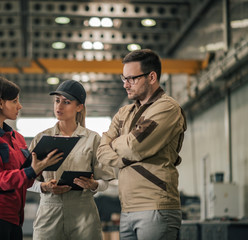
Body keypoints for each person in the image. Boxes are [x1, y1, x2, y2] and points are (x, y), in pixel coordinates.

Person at [96, 49, 187, 240]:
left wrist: (118, 145)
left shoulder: (166, 108)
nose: (125, 84)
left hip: (155, 207)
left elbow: (133, 147)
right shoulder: (125, 113)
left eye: (131, 78)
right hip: (127, 209)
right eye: (123, 78)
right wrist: (124, 155)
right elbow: (101, 150)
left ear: (152, 77)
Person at [0, 77, 63, 240]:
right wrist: (32, 170)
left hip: (14, 219)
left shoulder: (17, 139)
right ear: (0, 103)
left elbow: (23, 178)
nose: (19, 106)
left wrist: (42, 181)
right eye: (14, 101)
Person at [28, 80, 115, 240]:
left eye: (66, 102)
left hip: (83, 212)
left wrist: (94, 185)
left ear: (79, 107)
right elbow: (26, 181)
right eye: (57, 101)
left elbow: (104, 181)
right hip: (49, 211)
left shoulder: (93, 139)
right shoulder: (41, 138)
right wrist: (44, 186)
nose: (59, 107)